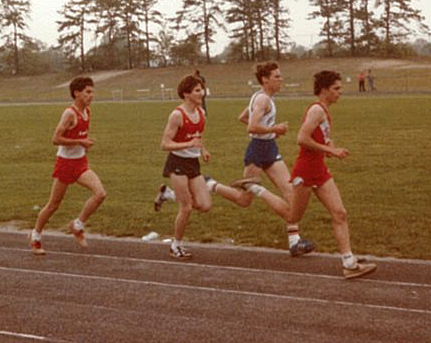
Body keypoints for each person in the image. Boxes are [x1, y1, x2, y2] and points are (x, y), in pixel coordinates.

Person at [156, 62, 315, 257]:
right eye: (277, 76)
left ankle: (294, 242)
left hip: (269, 148)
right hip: (255, 151)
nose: (281, 80)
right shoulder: (262, 100)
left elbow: (242, 117)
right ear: (265, 80)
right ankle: (212, 187)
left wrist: (268, 131)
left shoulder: (257, 100)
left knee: (291, 195)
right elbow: (251, 126)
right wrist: (273, 129)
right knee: (243, 199)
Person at [235, 70, 376, 279]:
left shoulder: (324, 111)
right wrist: (331, 150)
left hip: (319, 169)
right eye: (336, 89)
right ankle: (257, 189)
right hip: (306, 170)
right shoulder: (316, 110)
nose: (340, 92)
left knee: (339, 213)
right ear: (325, 90)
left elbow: (320, 137)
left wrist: (329, 146)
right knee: (292, 216)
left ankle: (349, 262)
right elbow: (302, 139)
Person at [28, 76, 106, 255]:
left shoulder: (87, 112)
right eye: (88, 92)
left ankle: (77, 225)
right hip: (65, 164)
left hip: (80, 163)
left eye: (92, 92)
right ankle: (35, 236)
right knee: (53, 205)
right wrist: (81, 141)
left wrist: (82, 144)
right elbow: (55, 139)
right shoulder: (69, 113)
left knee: (100, 194)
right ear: (76, 93)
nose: (91, 96)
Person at [158, 74, 226, 259]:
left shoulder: (201, 113)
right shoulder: (177, 115)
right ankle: (176, 245)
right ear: (187, 94)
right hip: (177, 163)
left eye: (202, 89)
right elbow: (164, 144)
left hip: (193, 164)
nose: (201, 93)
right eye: (197, 90)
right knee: (186, 207)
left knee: (204, 205)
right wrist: (188, 145)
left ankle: (168, 195)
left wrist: (202, 149)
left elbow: (197, 136)